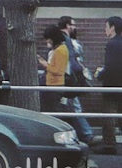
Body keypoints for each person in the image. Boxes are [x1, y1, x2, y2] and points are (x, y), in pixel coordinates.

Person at [57, 15, 93, 143]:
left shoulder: (61, 39)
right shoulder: (66, 40)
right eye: (73, 24)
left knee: (68, 106)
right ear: (67, 25)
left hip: (63, 77)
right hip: (68, 78)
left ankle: (80, 133)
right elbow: (71, 60)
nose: (74, 27)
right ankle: (86, 133)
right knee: (74, 106)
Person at [94, 15, 122, 154]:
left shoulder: (111, 44)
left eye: (106, 27)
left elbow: (111, 66)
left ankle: (110, 145)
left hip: (111, 85)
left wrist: (100, 74)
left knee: (109, 116)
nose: (105, 30)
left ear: (112, 28)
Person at [38, 24, 70, 115]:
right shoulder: (60, 49)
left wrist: (45, 65)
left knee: (52, 111)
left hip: (55, 86)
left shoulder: (60, 50)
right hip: (52, 85)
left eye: (48, 38)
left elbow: (58, 71)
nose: (47, 41)